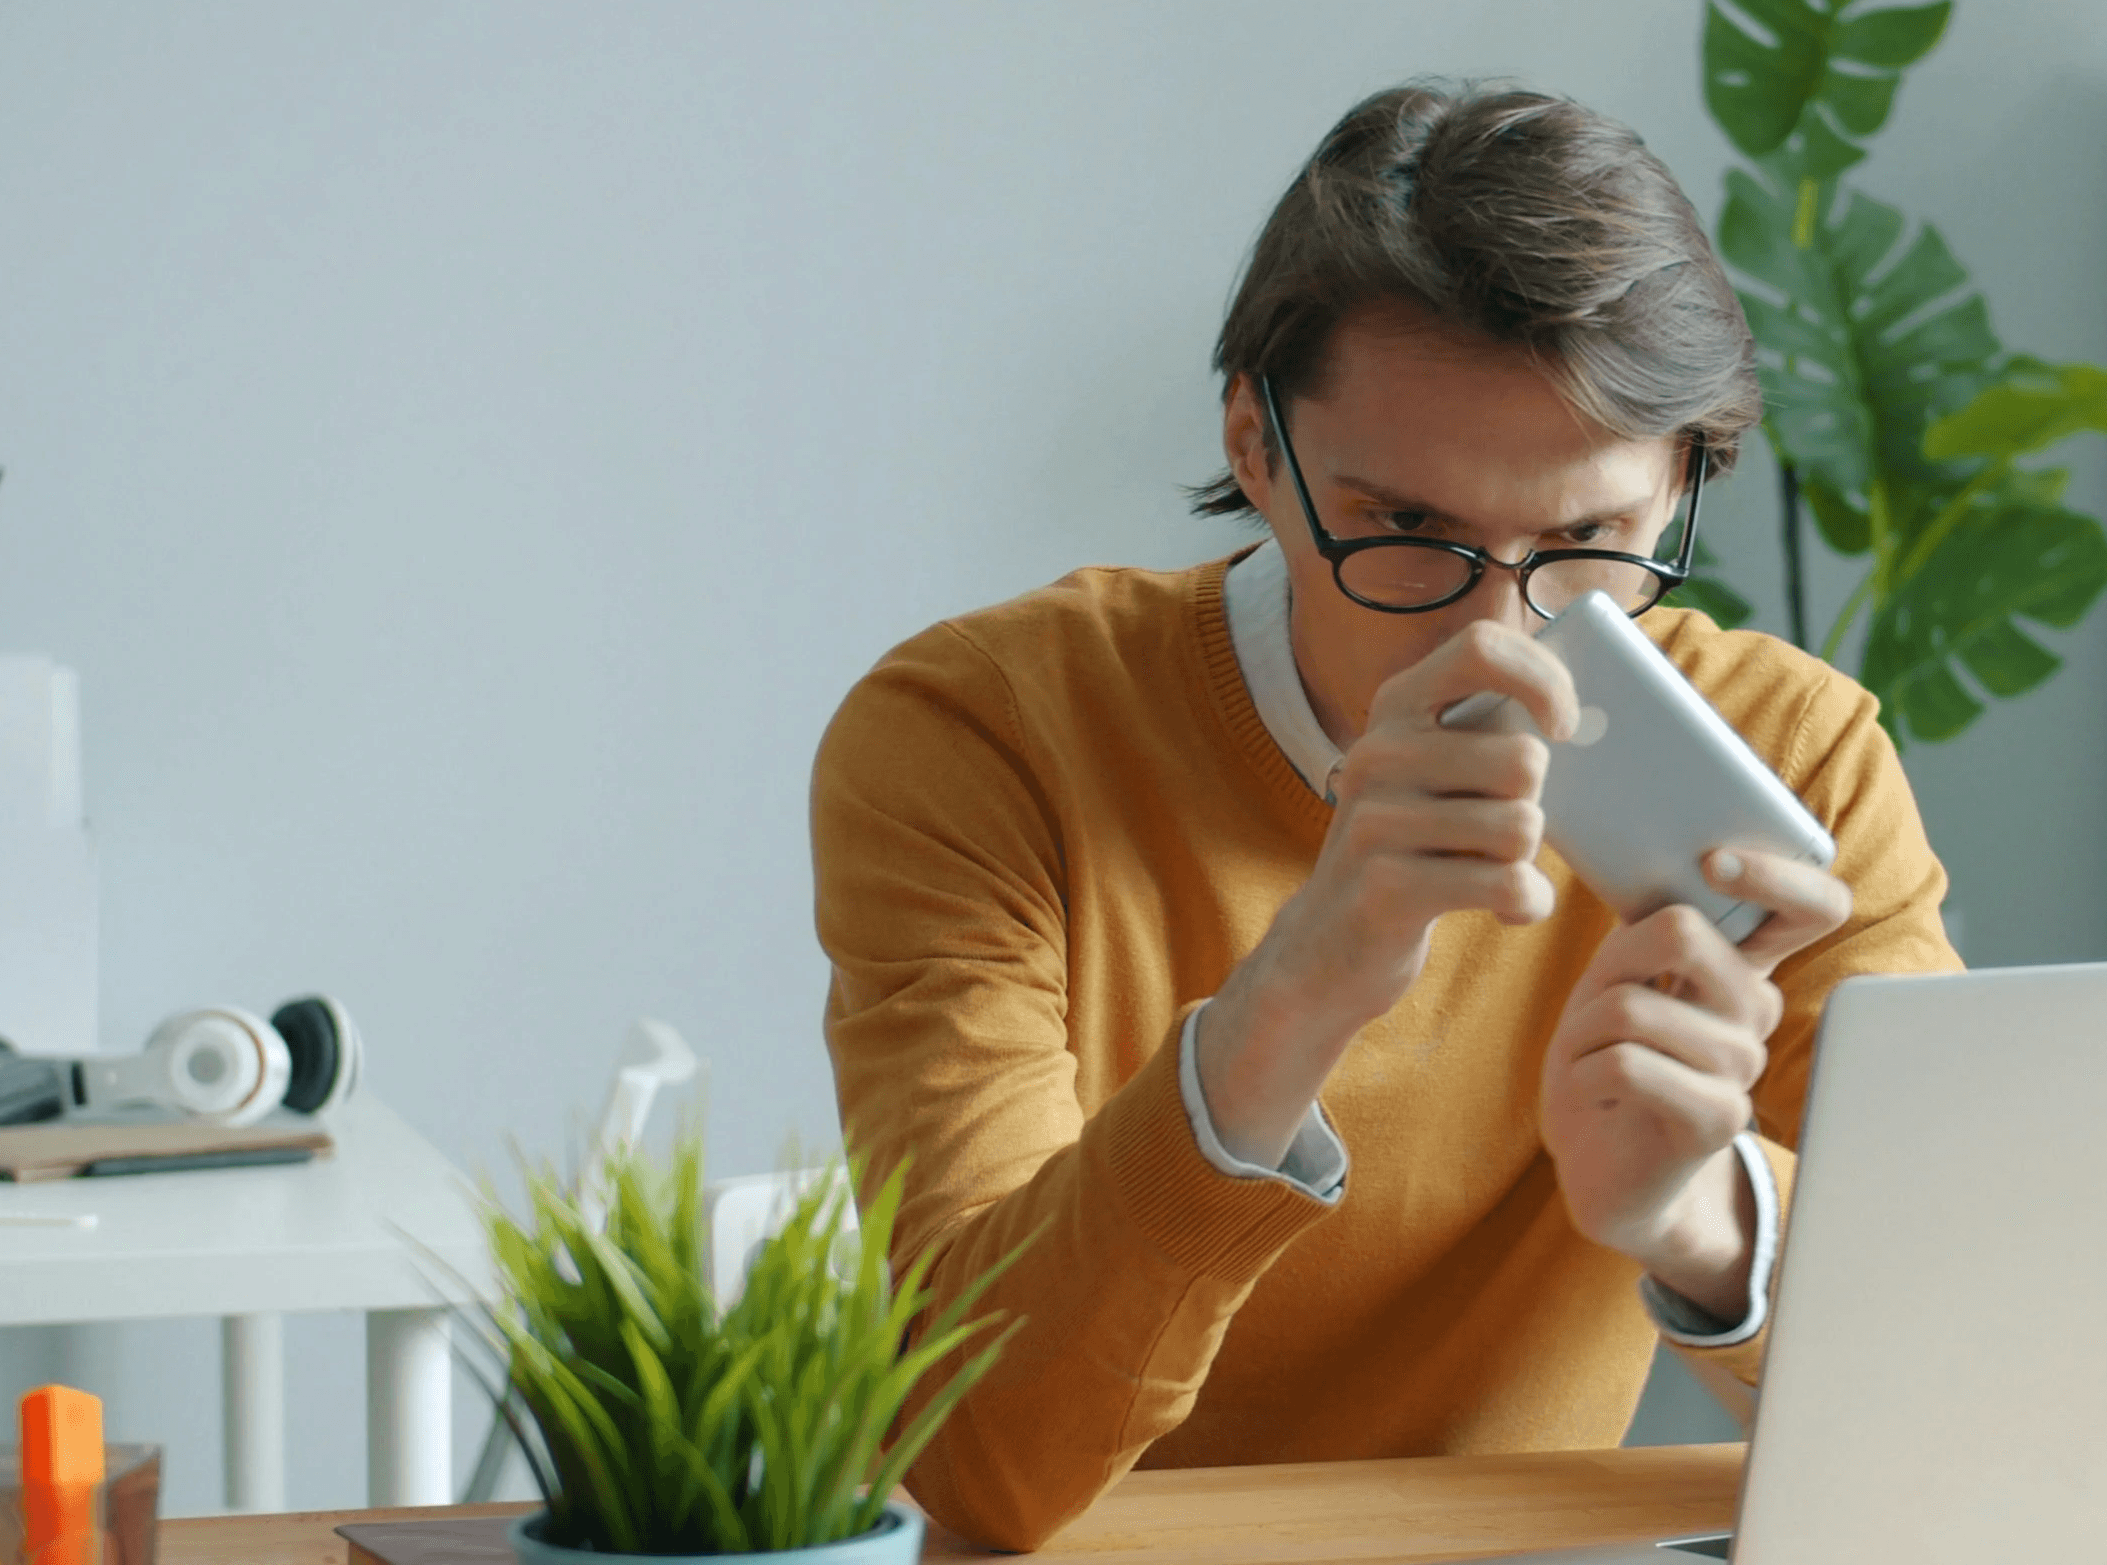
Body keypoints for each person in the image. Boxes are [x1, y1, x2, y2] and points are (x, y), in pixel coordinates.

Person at [811, 80, 1958, 1550]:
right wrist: (1297, 994)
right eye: (1410, 529)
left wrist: (1700, 1218)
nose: (1497, 632)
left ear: (1682, 483)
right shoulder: (987, 737)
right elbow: (980, 1458)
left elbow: (1976, 1378)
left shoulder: (1790, 759)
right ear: (1252, 445)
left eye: (1589, 540)